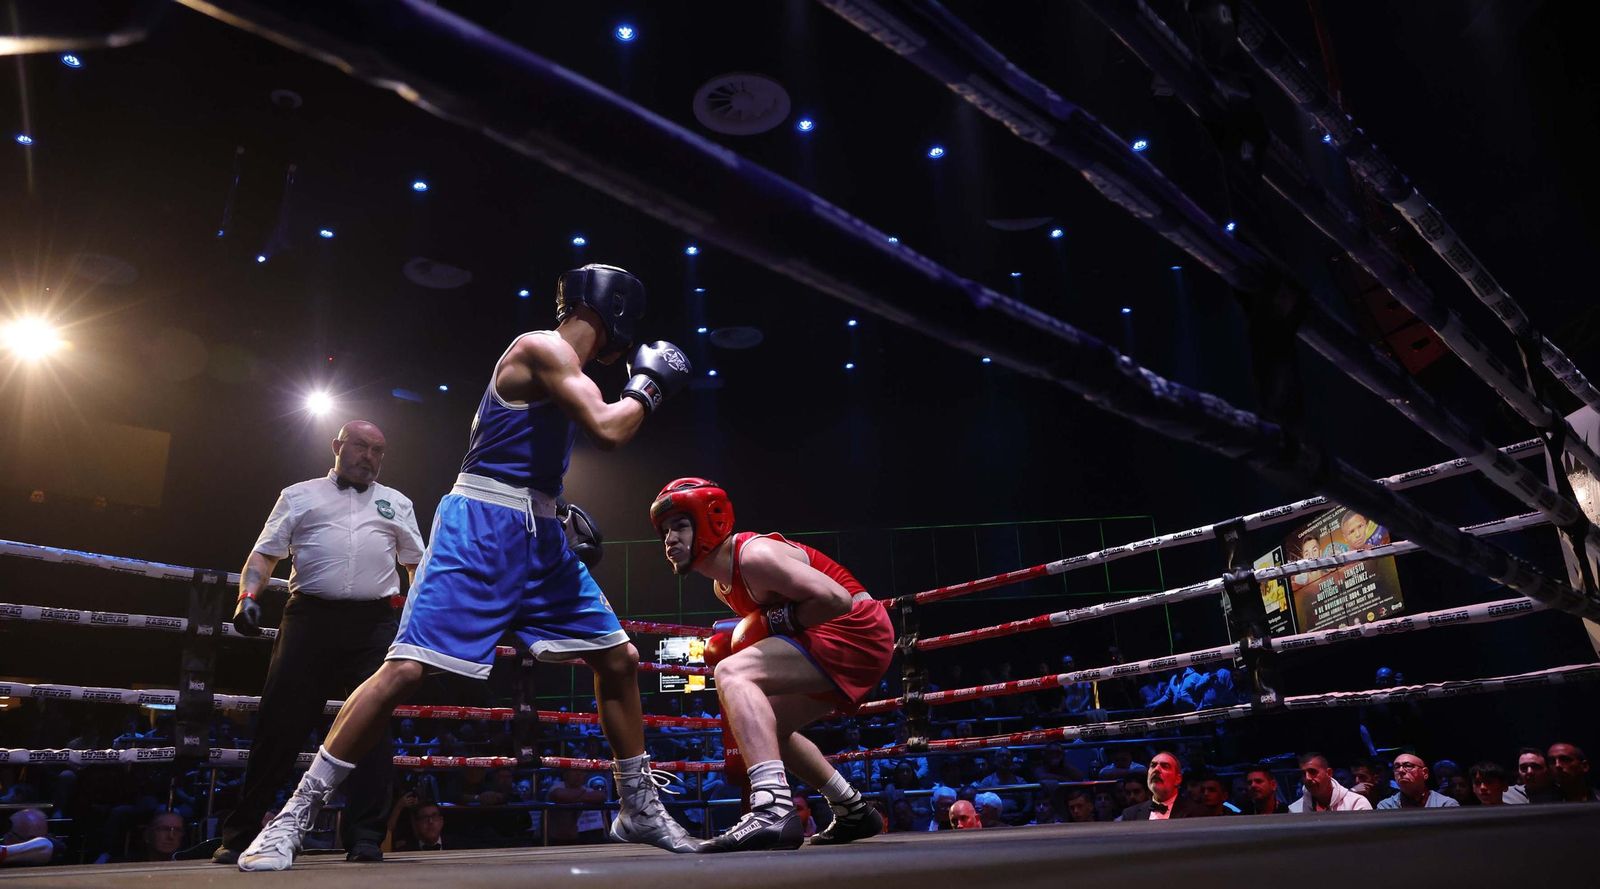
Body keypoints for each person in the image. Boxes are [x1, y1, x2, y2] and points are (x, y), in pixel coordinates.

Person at [239, 264, 695, 871]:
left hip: (537, 532)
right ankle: (295, 817)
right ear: (616, 316)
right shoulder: (541, 349)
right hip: (481, 526)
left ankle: (637, 805)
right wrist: (651, 385)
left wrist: (552, 510)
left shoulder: (567, 371)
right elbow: (612, 429)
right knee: (404, 673)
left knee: (620, 658)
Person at [216, 420, 426, 865]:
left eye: (378, 450)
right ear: (337, 446)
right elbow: (264, 552)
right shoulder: (299, 494)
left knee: (372, 730)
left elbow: (416, 564)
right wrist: (248, 596)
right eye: (361, 446)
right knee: (279, 726)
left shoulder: (397, 503)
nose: (369, 456)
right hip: (309, 619)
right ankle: (239, 835)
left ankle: (366, 835)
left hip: (373, 626)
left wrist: (417, 617)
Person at [651, 478, 896, 851]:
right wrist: (764, 627)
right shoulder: (723, 585)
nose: (670, 540)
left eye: (680, 526)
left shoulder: (753, 556)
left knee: (732, 671)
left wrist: (767, 624)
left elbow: (837, 599)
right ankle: (853, 808)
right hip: (834, 635)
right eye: (666, 531)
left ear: (711, 520)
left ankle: (772, 808)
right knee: (771, 727)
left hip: (855, 628)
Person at [1120, 752, 1204, 820]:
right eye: (1153, 765)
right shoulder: (1130, 814)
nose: (1156, 769)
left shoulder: (1198, 812)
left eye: (1165, 766)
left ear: (1177, 779)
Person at [1289, 753, 1371, 812]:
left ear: (1329, 773)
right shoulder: (1295, 810)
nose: (1307, 778)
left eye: (1313, 772)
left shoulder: (1356, 803)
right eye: (1303, 774)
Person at [1377, 754, 1458, 809]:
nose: (1400, 770)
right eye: (1397, 767)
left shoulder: (1446, 805)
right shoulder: (1385, 807)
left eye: (1408, 766)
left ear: (1425, 773)